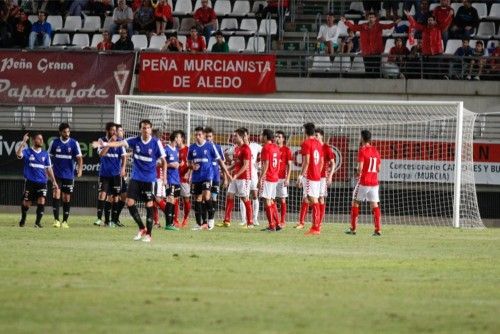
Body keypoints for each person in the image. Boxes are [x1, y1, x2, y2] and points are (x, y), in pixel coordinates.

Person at [92, 119, 167, 242]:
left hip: (149, 179)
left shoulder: (156, 143)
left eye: (148, 128)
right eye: (143, 128)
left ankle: (149, 235)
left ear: (151, 129)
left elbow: (164, 161)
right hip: (136, 178)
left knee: (149, 205)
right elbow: (119, 143)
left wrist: (164, 178)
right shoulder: (134, 141)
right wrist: (104, 144)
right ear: (140, 129)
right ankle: (141, 228)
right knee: (129, 202)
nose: (146, 130)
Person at [188, 126, 231, 230]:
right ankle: (200, 223)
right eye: (196, 135)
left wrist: (227, 174)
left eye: (200, 135)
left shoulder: (210, 146)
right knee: (198, 199)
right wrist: (191, 167)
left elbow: (220, 161)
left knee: (207, 196)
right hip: (196, 177)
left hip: (208, 175)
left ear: (203, 135)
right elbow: (189, 162)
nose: (198, 137)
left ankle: (211, 219)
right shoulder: (192, 148)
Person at [16, 132, 58, 228]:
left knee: (42, 200)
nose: (41, 140)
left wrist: (54, 181)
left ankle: (37, 223)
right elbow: (18, 154)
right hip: (30, 182)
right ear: (34, 140)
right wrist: (23, 142)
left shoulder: (45, 154)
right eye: (39, 139)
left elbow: (49, 169)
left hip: (42, 182)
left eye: (42, 139)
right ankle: (23, 218)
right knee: (26, 203)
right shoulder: (27, 151)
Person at [48, 123, 83, 229]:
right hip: (56, 174)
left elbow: (79, 158)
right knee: (56, 194)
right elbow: (48, 157)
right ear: (60, 132)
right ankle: (56, 220)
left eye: (68, 131)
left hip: (69, 175)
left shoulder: (74, 143)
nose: (67, 133)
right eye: (64, 132)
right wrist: (49, 171)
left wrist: (80, 169)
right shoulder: (54, 143)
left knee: (66, 197)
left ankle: (65, 221)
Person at [348, 130, 382, 236]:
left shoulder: (362, 150)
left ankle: (353, 229)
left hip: (364, 182)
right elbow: (379, 168)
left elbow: (360, 169)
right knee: (374, 205)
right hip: (374, 182)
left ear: (362, 138)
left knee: (355, 202)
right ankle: (378, 229)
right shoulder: (376, 151)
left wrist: (356, 171)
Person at [95, 122, 126, 227]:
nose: (114, 132)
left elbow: (124, 156)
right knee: (102, 194)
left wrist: (123, 169)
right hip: (104, 174)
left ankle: (112, 220)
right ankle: (99, 218)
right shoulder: (101, 140)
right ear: (107, 131)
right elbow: (101, 154)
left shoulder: (119, 142)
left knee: (115, 197)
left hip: (116, 174)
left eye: (115, 130)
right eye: (112, 130)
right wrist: (109, 143)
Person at [405, 9, 452, 78]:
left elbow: (445, 23)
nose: (430, 21)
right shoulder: (424, 28)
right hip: (427, 53)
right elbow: (415, 24)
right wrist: (409, 17)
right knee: (429, 72)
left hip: (437, 53)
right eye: (428, 20)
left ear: (434, 21)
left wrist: (449, 15)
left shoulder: (439, 28)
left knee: (437, 71)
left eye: (431, 20)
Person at [221, 128, 253, 228]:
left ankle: (250, 222)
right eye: (233, 136)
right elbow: (237, 163)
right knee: (229, 195)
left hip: (244, 178)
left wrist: (235, 175)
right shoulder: (237, 148)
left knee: (245, 198)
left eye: (236, 136)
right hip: (236, 177)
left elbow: (246, 165)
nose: (233, 137)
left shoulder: (246, 148)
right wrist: (227, 168)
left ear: (242, 137)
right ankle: (227, 221)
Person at [296, 123, 323, 235]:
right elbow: (321, 161)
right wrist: (318, 172)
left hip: (310, 176)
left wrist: (301, 176)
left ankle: (315, 227)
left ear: (305, 131)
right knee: (311, 198)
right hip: (317, 175)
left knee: (312, 199)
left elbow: (306, 162)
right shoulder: (318, 143)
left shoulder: (306, 143)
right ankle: (315, 226)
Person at [238, 128, 262, 226]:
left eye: (245, 135)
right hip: (243, 175)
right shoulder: (239, 147)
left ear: (248, 136)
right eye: (242, 135)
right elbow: (228, 153)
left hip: (253, 174)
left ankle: (255, 219)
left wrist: (259, 163)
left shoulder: (255, 146)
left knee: (255, 195)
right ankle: (244, 219)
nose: (244, 137)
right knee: (243, 196)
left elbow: (265, 152)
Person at [258, 129, 281, 232]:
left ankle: (272, 225)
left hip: (267, 177)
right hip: (275, 177)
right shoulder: (276, 147)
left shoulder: (265, 148)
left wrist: (261, 178)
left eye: (261, 135)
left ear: (266, 137)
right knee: (271, 200)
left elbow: (265, 164)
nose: (260, 136)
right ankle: (278, 223)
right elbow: (278, 163)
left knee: (266, 200)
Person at [162, 131, 182, 230]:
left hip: (176, 179)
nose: (180, 139)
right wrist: (171, 165)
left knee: (173, 201)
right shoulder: (166, 149)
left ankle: (172, 223)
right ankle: (168, 224)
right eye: (179, 137)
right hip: (169, 178)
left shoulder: (177, 150)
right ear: (175, 138)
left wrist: (178, 164)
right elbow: (158, 163)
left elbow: (176, 163)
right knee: (169, 199)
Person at [205, 127, 225, 228]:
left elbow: (222, 163)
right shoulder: (203, 147)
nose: (208, 138)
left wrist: (225, 178)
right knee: (205, 197)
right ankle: (207, 219)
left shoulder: (218, 147)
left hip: (216, 176)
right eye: (207, 136)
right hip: (206, 176)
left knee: (214, 197)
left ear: (213, 137)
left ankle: (211, 218)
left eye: (210, 136)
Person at [315, 128, 335, 226]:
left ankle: (320, 221)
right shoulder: (314, 147)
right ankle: (316, 218)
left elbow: (333, 163)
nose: (315, 137)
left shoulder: (326, 147)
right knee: (313, 198)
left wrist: (330, 176)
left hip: (322, 177)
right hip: (313, 176)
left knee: (320, 197)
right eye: (314, 135)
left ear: (322, 136)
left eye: (317, 135)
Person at [275, 131, 293, 227]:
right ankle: (274, 220)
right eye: (276, 136)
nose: (277, 138)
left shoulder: (287, 150)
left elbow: (289, 166)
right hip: (272, 178)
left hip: (282, 178)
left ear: (283, 139)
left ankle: (283, 221)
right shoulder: (272, 148)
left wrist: (288, 178)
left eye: (279, 136)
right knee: (271, 200)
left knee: (282, 199)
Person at [112, 124, 128, 227]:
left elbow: (125, 157)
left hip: (123, 174)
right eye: (120, 130)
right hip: (116, 174)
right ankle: (112, 219)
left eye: (122, 130)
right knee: (115, 196)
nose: (122, 132)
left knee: (124, 196)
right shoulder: (116, 143)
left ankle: (115, 218)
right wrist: (122, 169)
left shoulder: (123, 143)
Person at [175, 130, 191, 227]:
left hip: (184, 178)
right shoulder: (174, 150)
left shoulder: (188, 150)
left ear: (182, 139)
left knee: (186, 199)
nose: (176, 139)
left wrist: (188, 173)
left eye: (178, 137)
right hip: (175, 178)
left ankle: (186, 218)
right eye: (175, 137)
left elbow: (191, 164)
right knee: (175, 198)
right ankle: (175, 219)